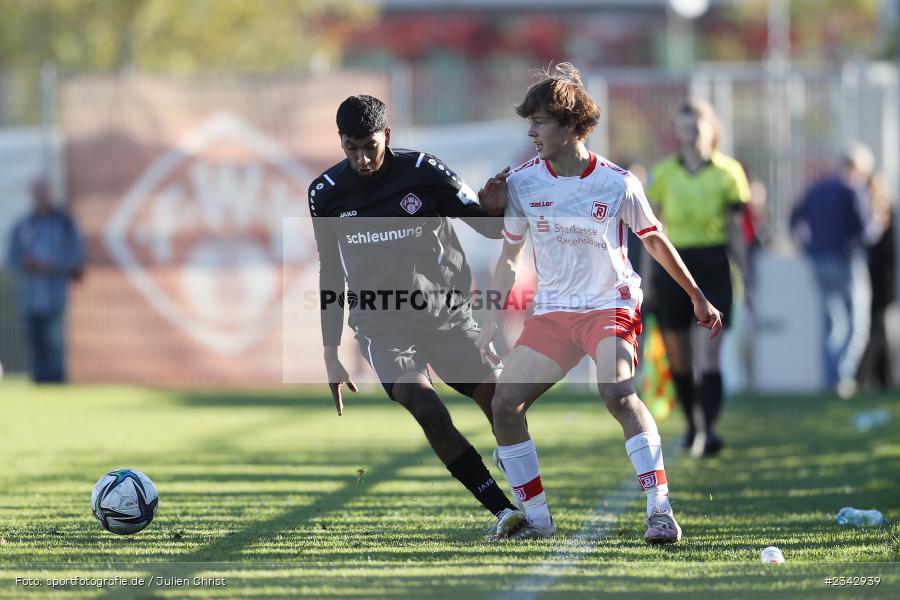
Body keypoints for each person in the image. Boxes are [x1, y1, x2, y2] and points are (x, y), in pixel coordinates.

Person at [476, 64, 722, 542]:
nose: (531, 132)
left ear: (570, 125)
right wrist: (491, 319)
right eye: (529, 122)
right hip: (553, 313)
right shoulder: (523, 183)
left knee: (617, 393)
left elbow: (654, 240)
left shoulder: (617, 183)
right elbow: (508, 257)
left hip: (611, 306)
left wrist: (696, 295)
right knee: (505, 405)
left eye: (540, 122)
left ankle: (660, 510)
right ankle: (538, 521)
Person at [308, 95, 525, 539]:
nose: (362, 158)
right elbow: (330, 272)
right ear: (341, 143)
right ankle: (503, 510)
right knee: (425, 405)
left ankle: (521, 474)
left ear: (387, 135)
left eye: (370, 146)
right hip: (382, 324)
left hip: (447, 314)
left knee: (500, 401)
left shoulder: (424, 171)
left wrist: (497, 205)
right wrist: (331, 352)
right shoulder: (326, 194)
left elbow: (485, 225)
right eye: (352, 148)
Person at [646, 99, 751, 457]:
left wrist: (747, 277)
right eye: (684, 126)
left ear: (711, 129)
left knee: (710, 357)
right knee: (680, 359)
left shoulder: (729, 171)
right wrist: (647, 281)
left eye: (697, 126)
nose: (690, 133)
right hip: (674, 267)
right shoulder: (662, 173)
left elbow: (736, 232)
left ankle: (709, 429)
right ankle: (693, 427)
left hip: (712, 263)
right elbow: (652, 233)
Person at [791, 143, 883, 398]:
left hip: (820, 262)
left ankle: (830, 378)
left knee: (831, 322)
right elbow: (866, 231)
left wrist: (809, 248)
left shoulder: (818, 188)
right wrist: (878, 224)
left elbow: (794, 220)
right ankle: (841, 377)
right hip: (848, 261)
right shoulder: (853, 190)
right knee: (856, 324)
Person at [8, 178, 85, 383]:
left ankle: (57, 381)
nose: (41, 197)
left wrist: (50, 265)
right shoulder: (23, 225)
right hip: (29, 294)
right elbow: (12, 259)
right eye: (37, 192)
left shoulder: (64, 224)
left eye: (44, 192)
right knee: (35, 341)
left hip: (55, 294)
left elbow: (76, 259)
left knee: (54, 341)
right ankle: (39, 381)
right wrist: (27, 264)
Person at [857, 170, 896, 391]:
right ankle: (885, 379)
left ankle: (864, 378)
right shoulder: (871, 212)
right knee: (878, 330)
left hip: (883, 281)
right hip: (873, 279)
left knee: (876, 329)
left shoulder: (885, 213)